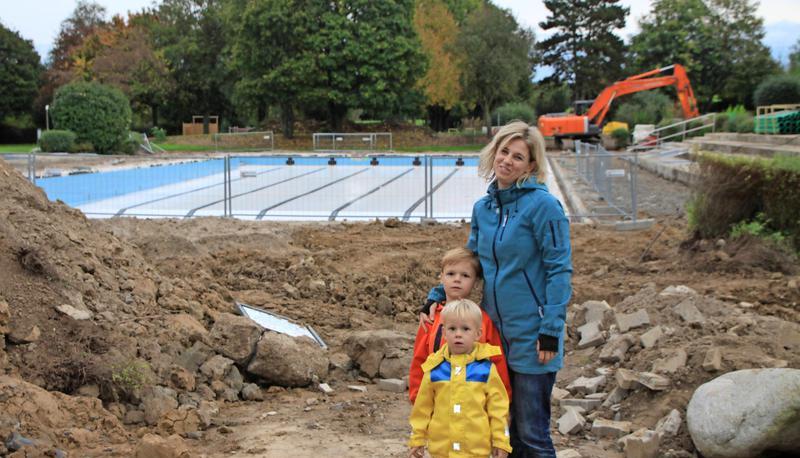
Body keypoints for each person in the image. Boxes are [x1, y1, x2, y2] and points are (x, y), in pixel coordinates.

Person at [425, 121, 572, 458]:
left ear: (531, 166)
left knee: (531, 434)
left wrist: (551, 328)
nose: (507, 160)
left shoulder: (544, 208)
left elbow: (559, 270)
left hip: (533, 334)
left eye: (518, 157)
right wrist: (438, 293)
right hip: (491, 334)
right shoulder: (484, 209)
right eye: (504, 151)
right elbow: (472, 261)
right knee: (499, 429)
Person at [408, 299, 512, 458]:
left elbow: (498, 410)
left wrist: (501, 441)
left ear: (478, 334)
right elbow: (422, 408)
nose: (458, 334)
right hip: (441, 451)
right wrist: (417, 438)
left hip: (476, 451)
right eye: (452, 328)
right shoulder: (434, 369)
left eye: (465, 329)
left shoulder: (486, 370)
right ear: (443, 332)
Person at [409, 247, 511, 404]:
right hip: (439, 402)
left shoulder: (482, 320)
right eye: (451, 274)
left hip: (474, 406)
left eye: (465, 275)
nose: (457, 279)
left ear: (475, 282)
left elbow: (497, 362)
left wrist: (502, 403)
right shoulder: (431, 317)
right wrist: (417, 397)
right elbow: (419, 360)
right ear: (441, 278)